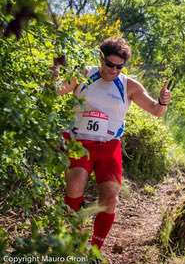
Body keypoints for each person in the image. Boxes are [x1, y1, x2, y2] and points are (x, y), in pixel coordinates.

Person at [52, 37, 171, 251]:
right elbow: (55, 90)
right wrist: (56, 68)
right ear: (101, 59)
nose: (113, 70)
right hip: (80, 142)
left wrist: (163, 101)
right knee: (74, 185)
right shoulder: (84, 74)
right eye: (109, 64)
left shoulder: (128, 85)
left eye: (119, 66)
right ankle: (75, 237)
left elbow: (156, 111)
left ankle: (96, 248)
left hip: (109, 147)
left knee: (110, 199)